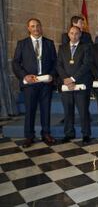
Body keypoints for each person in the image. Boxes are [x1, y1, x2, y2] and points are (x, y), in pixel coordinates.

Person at [12, 18, 57, 148]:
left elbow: (55, 62)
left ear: (41, 27)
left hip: (45, 83)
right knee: (30, 110)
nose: (36, 28)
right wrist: (24, 76)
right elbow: (15, 63)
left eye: (38, 25)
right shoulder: (22, 44)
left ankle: (46, 134)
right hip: (30, 83)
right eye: (32, 26)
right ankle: (29, 136)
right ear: (28, 28)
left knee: (45, 109)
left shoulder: (49, 43)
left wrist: (52, 76)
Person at [57, 26, 92, 144]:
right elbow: (59, 65)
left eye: (76, 33)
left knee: (83, 111)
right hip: (66, 84)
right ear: (68, 34)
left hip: (80, 84)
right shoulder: (62, 48)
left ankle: (86, 134)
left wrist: (72, 79)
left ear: (80, 34)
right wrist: (65, 79)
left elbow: (86, 65)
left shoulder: (86, 47)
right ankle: (69, 133)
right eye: (71, 33)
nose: (74, 35)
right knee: (68, 111)